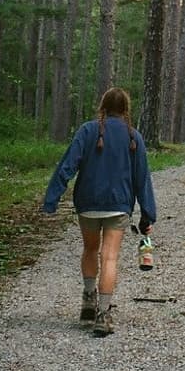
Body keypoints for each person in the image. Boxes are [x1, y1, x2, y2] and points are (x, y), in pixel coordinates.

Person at [42, 87, 156, 337]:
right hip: (118, 206)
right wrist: (147, 214)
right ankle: (103, 315)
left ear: (102, 106)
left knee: (90, 249)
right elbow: (142, 179)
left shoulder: (87, 130)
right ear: (126, 109)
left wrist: (51, 200)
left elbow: (68, 165)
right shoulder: (133, 136)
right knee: (110, 258)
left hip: (88, 204)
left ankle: (87, 301)